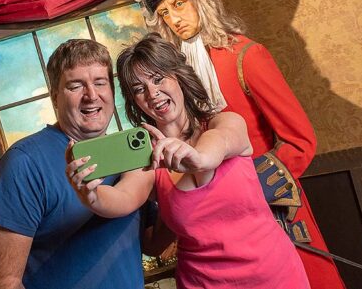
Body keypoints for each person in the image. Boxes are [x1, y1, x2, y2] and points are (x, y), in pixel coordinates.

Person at [126, 0, 345, 289]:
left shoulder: (245, 56)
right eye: (165, 12)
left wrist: (257, 188)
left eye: (180, 4)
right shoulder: (173, 76)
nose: (174, 18)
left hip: (271, 203)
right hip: (209, 218)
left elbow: (299, 140)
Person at [67, 33, 310, 289]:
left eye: (158, 79)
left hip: (278, 277)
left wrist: (197, 158)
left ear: (179, 76)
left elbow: (219, 143)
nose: (153, 93)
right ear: (134, 101)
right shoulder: (150, 158)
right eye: (139, 89)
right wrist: (91, 196)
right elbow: (123, 198)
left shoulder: (224, 122)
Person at [0, 39, 144, 289]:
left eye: (100, 83)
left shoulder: (129, 156)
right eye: (75, 85)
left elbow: (155, 243)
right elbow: (5, 283)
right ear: (55, 96)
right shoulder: (23, 163)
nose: (91, 96)